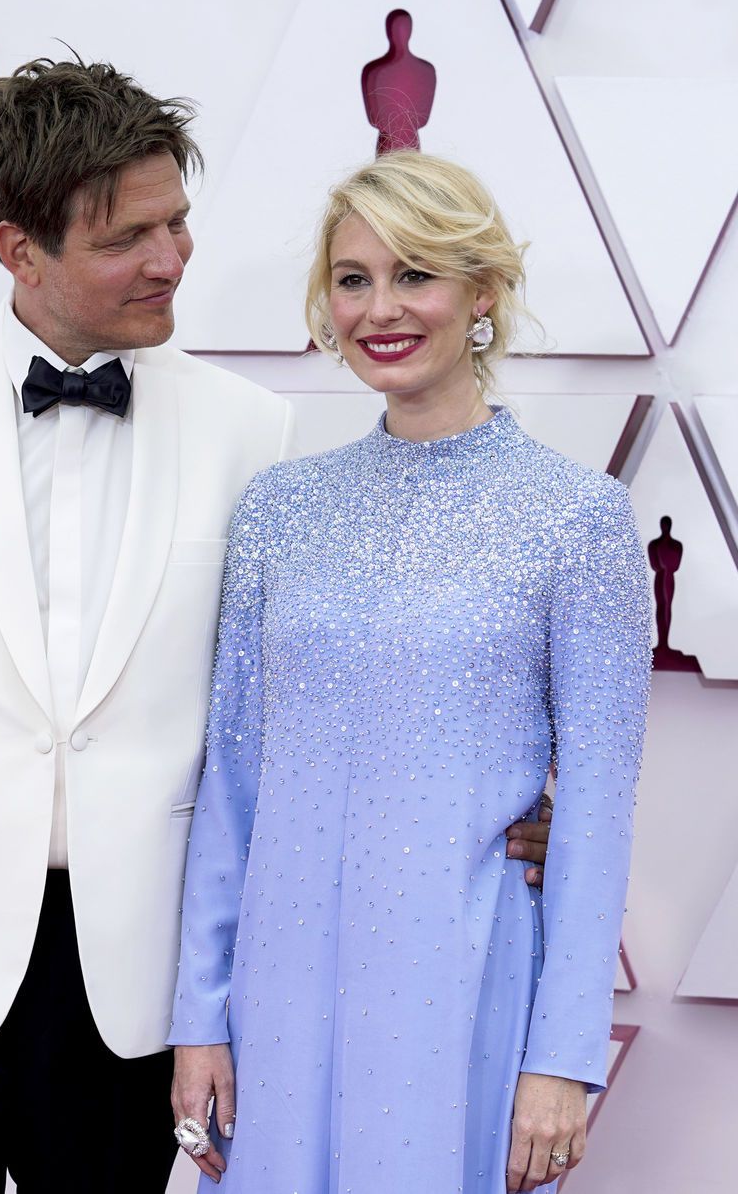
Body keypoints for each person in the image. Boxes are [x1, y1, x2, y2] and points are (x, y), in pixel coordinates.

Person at [0, 60, 552, 1192]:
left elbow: (328, 699)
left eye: (177, 223)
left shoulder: (252, 435)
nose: (171, 259)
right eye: (130, 237)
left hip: (141, 989)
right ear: (19, 248)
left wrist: (512, 799)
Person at [169, 151, 650, 1194]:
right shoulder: (278, 510)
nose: (378, 308)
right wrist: (198, 1018)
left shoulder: (578, 519)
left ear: (482, 294)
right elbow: (232, 787)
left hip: (463, 986)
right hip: (278, 996)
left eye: (415, 274)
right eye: (352, 279)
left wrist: (560, 1060)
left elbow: (601, 810)